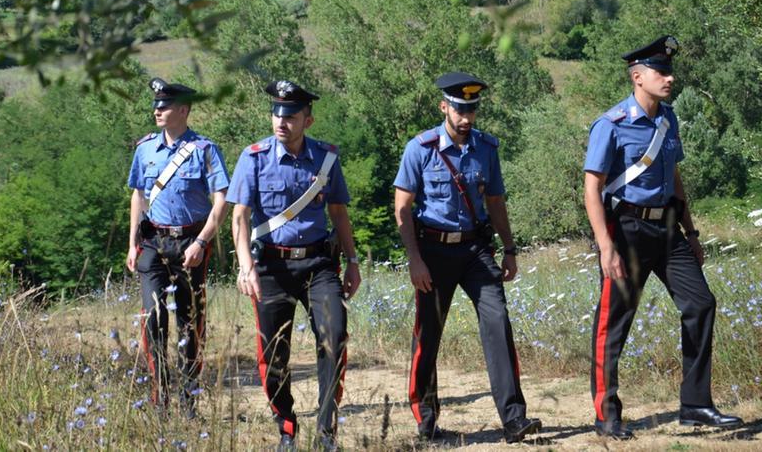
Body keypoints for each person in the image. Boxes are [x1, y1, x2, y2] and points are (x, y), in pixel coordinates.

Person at [584, 36, 742, 439]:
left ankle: (695, 404)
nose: (669, 78)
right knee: (614, 323)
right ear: (638, 77)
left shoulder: (667, 119)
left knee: (701, 304)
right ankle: (607, 415)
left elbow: (674, 178)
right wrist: (606, 247)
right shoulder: (612, 124)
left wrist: (691, 232)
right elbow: (592, 188)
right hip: (628, 230)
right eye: (661, 71)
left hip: (669, 228)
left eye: (670, 71)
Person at [393, 72, 542, 444]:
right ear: (444, 107)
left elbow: (495, 202)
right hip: (432, 251)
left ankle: (513, 419)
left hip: (476, 250)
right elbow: (402, 207)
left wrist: (509, 249)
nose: (465, 117)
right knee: (428, 335)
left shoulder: (486, 149)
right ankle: (426, 423)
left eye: (471, 109)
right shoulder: (421, 149)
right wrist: (414, 259)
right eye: (459, 109)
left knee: (498, 323)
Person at [227, 80, 361, 452]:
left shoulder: (327, 159)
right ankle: (286, 427)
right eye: (276, 113)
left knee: (334, 336)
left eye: (290, 116)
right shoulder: (252, 158)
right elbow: (239, 218)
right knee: (273, 353)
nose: (280, 121)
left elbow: (339, 213)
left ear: (308, 121)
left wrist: (352, 261)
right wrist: (245, 267)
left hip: (319, 264)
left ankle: (326, 428)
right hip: (270, 267)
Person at [126, 77, 230, 415]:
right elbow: (138, 196)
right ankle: (160, 397)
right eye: (156, 105)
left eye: (165, 105)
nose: (158, 110)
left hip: (191, 241)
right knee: (152, 319)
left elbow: (221, 201)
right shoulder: (144, 149)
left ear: (183, 110)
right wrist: (132, 244)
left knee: (190, 322)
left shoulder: (205, 150)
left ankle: (188, 399)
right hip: (153, 243)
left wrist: (202, 241)